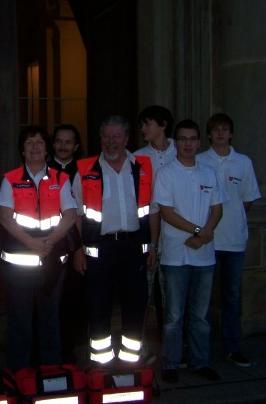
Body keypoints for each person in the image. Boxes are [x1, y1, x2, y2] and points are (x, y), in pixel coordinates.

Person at [72, 115, 153, 366]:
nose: (111, 142)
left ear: (127, 139)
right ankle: (101, 363)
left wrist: (153, 247)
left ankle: (131, 362)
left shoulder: (142, 167)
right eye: (106, 136)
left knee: (135, 306)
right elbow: (76, 214)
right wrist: (78, 248)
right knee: (98, 306)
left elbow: (154, 210)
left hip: (133, 246)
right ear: (100, 139)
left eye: (116, 136)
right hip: (99, 248)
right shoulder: (85, 170)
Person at [0, 125, 76, 371]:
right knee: (20, 320)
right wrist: (31, 243)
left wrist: (50, 241)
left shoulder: (61, 178)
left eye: (40, 142)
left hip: (51, 261)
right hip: (19, 264)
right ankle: (20, 374)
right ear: (22, 149)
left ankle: (51, 374)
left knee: (49, 318)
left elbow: (71, 215)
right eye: (29, 143)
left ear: (46, 149)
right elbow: (5, 217)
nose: (35, 147)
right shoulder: (11, 179)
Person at [154, 119, 224, 383]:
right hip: (176, 254)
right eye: (182, 139)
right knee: (173, 315)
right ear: (176, 142)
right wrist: (198, 231)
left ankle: (200, 361)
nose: (188, 144)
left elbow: (217, 209)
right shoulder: (167, 173)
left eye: (192, 139)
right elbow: (167, 212)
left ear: (198, 142)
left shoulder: (208, 172)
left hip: (205, 255)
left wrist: (204, 234)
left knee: (200, 315)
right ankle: (171, 363)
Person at [197, 113, 261, 367]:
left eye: (225, 130)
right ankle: (200, 350)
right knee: (201, 298)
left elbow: (247, 201)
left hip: (233, 240)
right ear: (209, 135)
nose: (221, 134)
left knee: (232, 296)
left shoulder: (243, 162)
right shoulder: (200, 161)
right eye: (215, 130)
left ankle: (233, 347)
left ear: (231, 134)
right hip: (206, 240)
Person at [134, 105, 176, 342]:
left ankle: (172, 345)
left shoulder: (180, 150)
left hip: (177, 233)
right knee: (145, 293)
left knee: (172, 295)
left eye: (147, 124)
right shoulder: (138, 157)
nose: (143, 129)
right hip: (148, 232)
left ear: (163, 125)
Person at [47, 124, 85, 362]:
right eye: (59, 141)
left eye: (68, 142)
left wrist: (79, 247)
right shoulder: (42, 168)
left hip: (76, 246)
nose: (63, 146)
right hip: (47, 245)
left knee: (72, 301)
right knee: (45, 298)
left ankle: (68, 352)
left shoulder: (86, 171)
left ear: (76, 146)